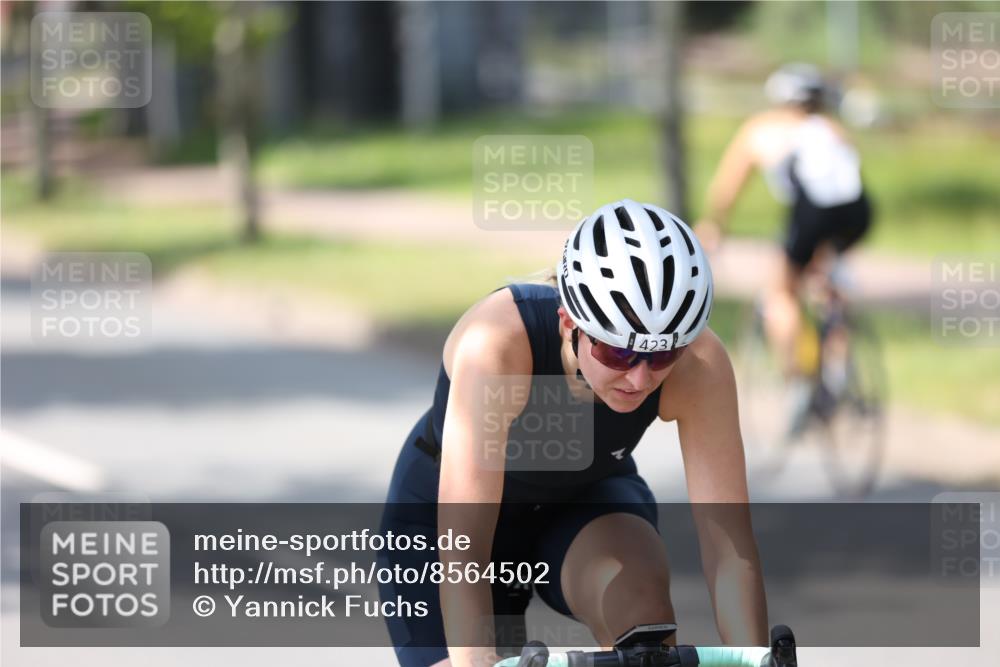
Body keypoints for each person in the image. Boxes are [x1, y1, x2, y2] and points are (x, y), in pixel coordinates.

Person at [379, 199, 768, 667]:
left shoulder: (700, 366)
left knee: (644, 627)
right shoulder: (497, 348)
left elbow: (728, 550)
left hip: (583, 505)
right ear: (570, 322)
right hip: (447, 530)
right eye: (618, 354)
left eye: (664, 356)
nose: (641, 379)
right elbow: (465, 549)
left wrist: (756, 658)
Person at [696, 64, 873, 378]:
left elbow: (728, 185)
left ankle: (797, 377)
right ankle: (838, 367)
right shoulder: (833, 129)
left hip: (811, 212)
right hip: (859, 212)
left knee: (781, 292)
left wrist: (714, 223)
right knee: (824, 282)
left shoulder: (762, 129)